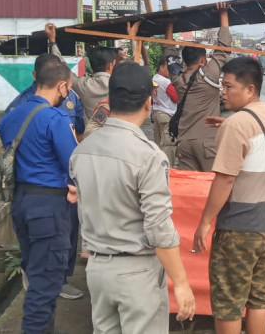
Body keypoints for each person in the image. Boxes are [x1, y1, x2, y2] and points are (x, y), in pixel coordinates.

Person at [70, 62, 195, 333]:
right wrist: (181, 282)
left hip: (98, 268)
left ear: (110, 99)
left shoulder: (82, 150)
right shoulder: (148, 156)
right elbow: (159, 228)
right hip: (137, 274)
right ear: (148, 103)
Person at [193, 56, 265, 334]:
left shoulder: (236, 125)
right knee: (259, 295)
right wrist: (227, 126)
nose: (223, 92)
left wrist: (205, 221)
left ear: (250, 89)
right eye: (222, 86)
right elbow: (257, 145)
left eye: (228, 86)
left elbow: (225, 179)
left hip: (241, 228)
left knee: (228, 301)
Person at [0, 58, 79, 334]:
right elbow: (73, 164)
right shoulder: (55, 118)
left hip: (22, 202)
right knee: (45, 286)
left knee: (35, 274)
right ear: (62, 86)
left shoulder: (11, 116)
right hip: (49, 207)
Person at [163, 2, 232, 171]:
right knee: (211, 186)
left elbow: (170, 53)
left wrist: (169, 25)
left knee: (192, 189)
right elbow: (223, 48)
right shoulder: (208, 75)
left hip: (184, 143)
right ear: (202, 60)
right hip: (207, 143)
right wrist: (223, 12)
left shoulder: (177, 78)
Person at [153, 56, 179, 166]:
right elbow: (176, 98)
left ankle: (158, 167)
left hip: (156, 113)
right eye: (169, 68)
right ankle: (167, 169)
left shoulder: (154, 78)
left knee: (158, 144)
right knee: (168, 146)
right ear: (161, 67)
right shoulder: (166, 82)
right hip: (166, 115)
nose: (171, 71)